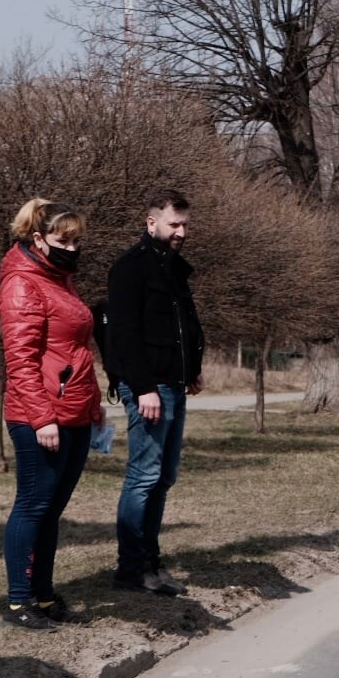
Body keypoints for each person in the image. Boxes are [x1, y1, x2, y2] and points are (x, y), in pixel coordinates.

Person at [0, 198, 104, 631]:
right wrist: (42, 418)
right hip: (38, 416)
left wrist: (93, 405)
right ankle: (18, 601)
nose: (73, 249)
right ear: (38, 239)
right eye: (64, 241)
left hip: (73, 411)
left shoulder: (61, 280)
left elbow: (74, 351)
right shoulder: (22, 284)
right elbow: (21, 361)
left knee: (51, 508)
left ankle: (43, 594)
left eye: (77, 241)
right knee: (33, 505)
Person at [105, 188, 204, 596]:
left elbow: (181, 328)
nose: (181, 232)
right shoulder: (131, 267)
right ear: (151, 223)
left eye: (185, 225)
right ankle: (131, 568)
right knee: (144, 476)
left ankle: (150, 562)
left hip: (172, 385)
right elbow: (124, 334)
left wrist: (191, 370)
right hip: (149, 388)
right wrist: (143, 387)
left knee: (164, 477)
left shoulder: (173, 268)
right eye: (173, 224)